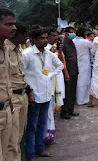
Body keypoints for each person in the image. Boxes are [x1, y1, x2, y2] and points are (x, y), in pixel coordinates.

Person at [23, 28, 64, 160]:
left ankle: (40, 149)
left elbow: (60, 65)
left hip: (46, 94)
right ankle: (30, 154)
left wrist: (50, 76)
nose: (45, 40)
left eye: (46, 38)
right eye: (42, 38)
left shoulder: (48, 53)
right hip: (34, 96)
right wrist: (29, 92)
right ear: (34, 40)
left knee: (42, 124)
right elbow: (20, 75)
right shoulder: (27, 54)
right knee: (32, 126)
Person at [5, 22, 32, 161]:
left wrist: (28, 92)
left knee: (19, 136)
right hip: (12, 98)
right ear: (19, 35)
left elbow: (21, 74)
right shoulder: (6, 50)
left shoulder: (18, 49)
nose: (27, 38)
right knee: (12, 140)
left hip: (22, 96)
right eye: (26, 35)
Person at [0, 8, 16, 161]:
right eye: (8, 24)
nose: (14, 28)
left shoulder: (5, 47)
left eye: (14, 24)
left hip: (6, 109)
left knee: (7, 153)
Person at [61, 26, 79, 119]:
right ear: (67, 33)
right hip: (68, 71)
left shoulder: (71, 42)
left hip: (74, 70)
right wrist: (66, 72)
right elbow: (62, 59)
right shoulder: (63, 44)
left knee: (72, 92)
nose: (73, 34)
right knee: (67, 93)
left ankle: (71, 109)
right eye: (72, 32)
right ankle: (65, 111)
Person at [73, 27, 92, 105]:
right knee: (84, 81)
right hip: (84, 62)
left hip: (76, 62)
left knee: (78, 80)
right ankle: (82, 99)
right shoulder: (86, 42)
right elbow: (93, 48)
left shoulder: (73, 41)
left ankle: (78, 98)